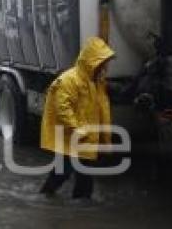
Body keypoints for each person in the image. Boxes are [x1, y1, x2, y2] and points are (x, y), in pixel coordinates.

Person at [39, 37, 115, 199]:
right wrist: (77, 129)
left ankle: (81, 207)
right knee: (63, 172)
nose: (105, 66)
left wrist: (103, 137)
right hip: (70, 137)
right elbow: (63, 109)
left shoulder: (96, 81)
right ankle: (46, 195)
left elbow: (102, 108)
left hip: (86, 138)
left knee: (85, 175)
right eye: (103, 62)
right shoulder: (68, 80)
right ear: (92, 61)